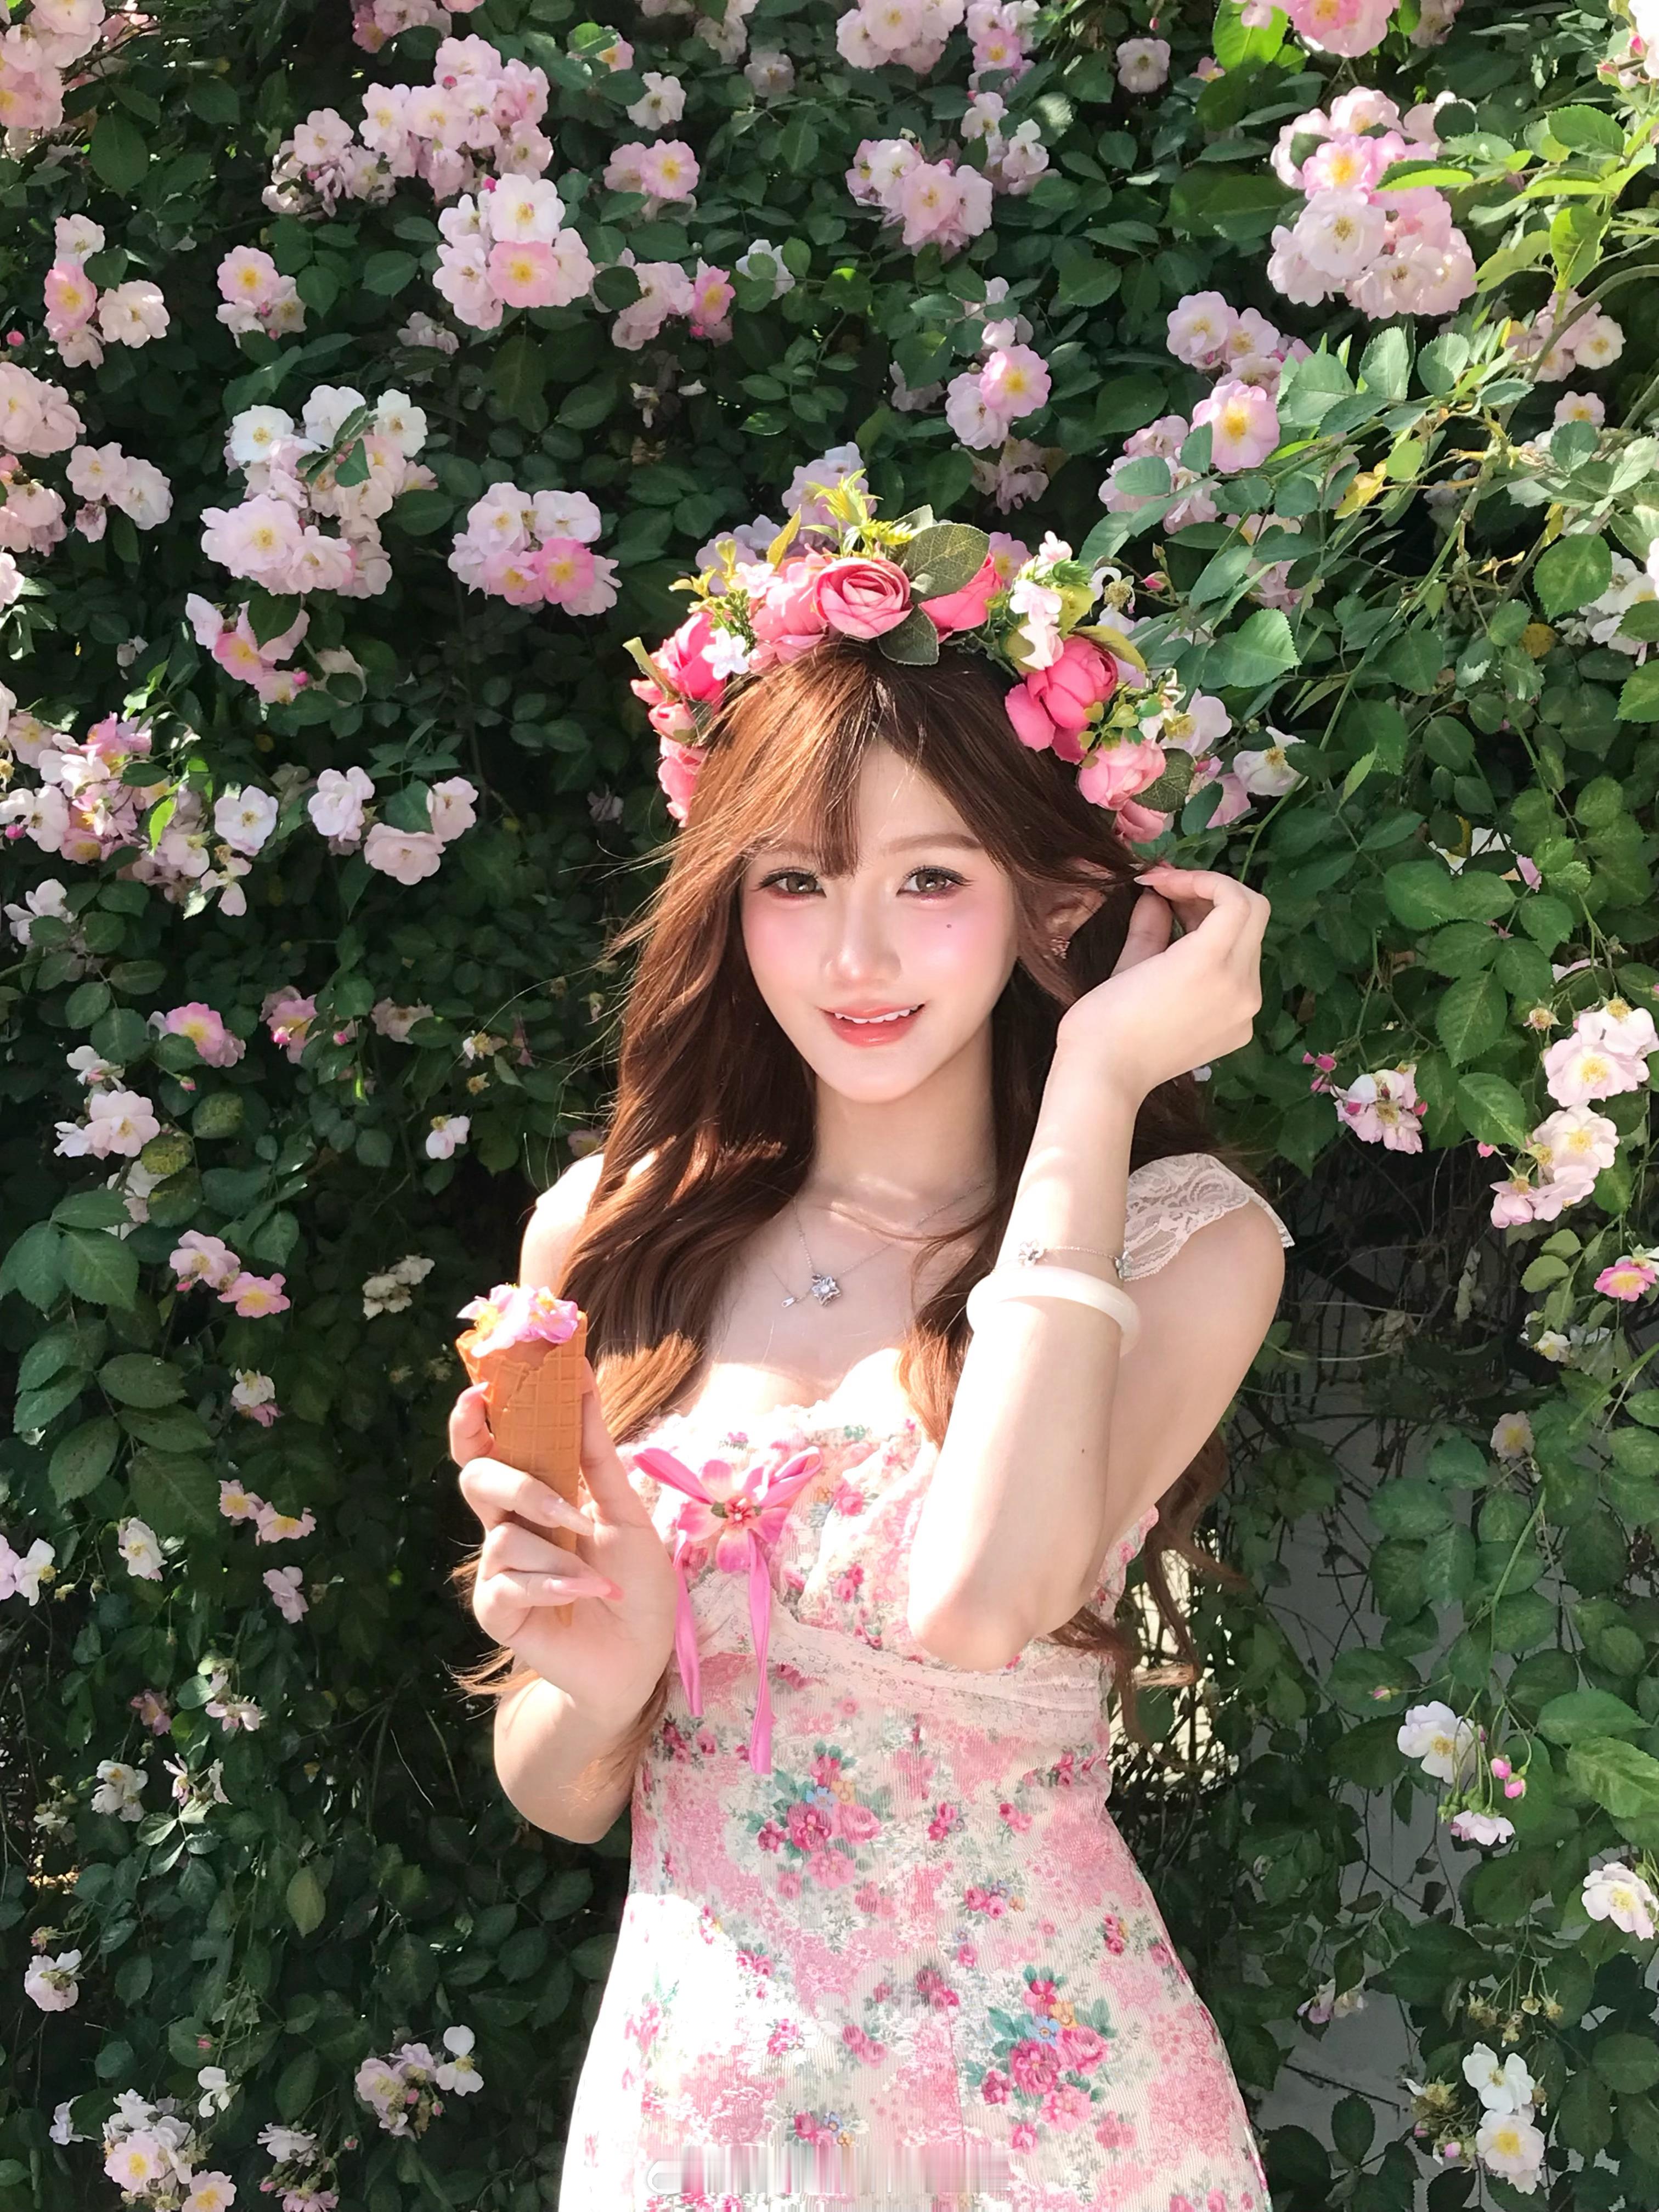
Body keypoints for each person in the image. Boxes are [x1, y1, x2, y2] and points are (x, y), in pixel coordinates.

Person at [448, 514, 1291, 2211]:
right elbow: (557, 1789)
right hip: (699, 2127)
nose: (856, 956)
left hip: (1054, 2133)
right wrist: (607, 1679)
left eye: (930, 879)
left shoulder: (1187, 1245)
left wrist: (1098, 1084)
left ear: (1052, 900)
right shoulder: (605, 1240)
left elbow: (982, 1603)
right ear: (732, 898)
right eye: (796, 881)